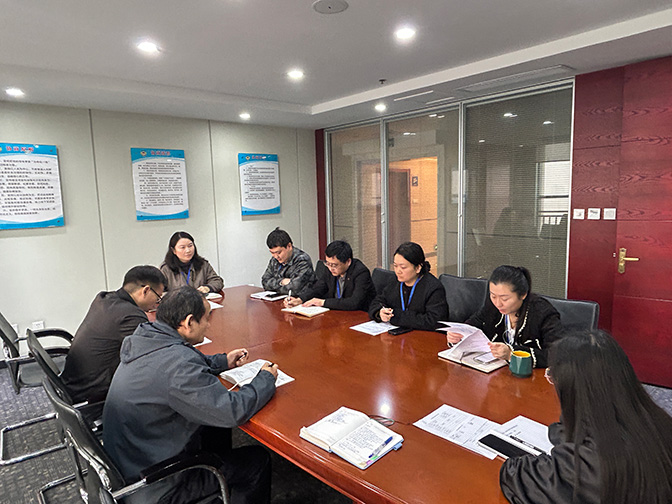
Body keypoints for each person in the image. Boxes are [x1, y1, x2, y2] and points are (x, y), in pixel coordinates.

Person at [103, 286, 278, 504]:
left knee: (213, 428)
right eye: (206, 318)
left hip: (131, 460)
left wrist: (223, 361)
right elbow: (231, 411)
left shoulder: (148, 336)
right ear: (188, 322)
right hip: (157, 484)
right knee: (256, 461)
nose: (208, 325)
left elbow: (185, 357)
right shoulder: (178, 366)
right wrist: (265, 379)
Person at [500, 330, 672, 504]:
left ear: (572, 388)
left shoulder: (586, 463)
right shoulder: (658, 421)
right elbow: (560, 430)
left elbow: (516, 474)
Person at [60, 265, 166, 403]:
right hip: (91, 392)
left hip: (73, 381)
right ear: (145, 290)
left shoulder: (104, 298)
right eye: (158, 297)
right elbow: (153, 356)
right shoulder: (130, 315)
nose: (157, 304)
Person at [446, 265, 562, 368]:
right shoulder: (493, 306)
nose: (498, 303)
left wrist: (511, 353)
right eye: (493, 296)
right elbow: (477, 321)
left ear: (523, 294)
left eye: (505, 298)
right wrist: (459, 335)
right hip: (498, 374)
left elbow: (557, 355)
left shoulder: (543, 313)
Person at [368, 242, 448, 331]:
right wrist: (380, 312)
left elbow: (434, 321)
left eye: (403, 267)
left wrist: (397, 316)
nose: (398, 271)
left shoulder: (433, 287)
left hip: (422, 336)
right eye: (395, 266)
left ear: (418, 268)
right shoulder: (394, 281)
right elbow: (377, 302)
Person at [285, 240, 376, 311]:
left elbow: (354, 302)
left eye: (334, 265)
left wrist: (323, 302)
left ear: (348, 262)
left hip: (358, 316)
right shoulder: (330, 269)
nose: (330, 268)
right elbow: (318, 288)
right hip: (337, 314)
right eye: (327, 263)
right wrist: (300, 299)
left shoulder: (361, 272)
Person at [261, 227, 317, 298]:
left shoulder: (302, 260)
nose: (275, 256)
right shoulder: (274, 260)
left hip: (301, 300)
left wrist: (274, 285)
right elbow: (265, 281)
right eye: (272, 253)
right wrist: (282, 282)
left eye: (279, 252)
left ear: (289, 246)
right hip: (280, 299)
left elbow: (294, 289)